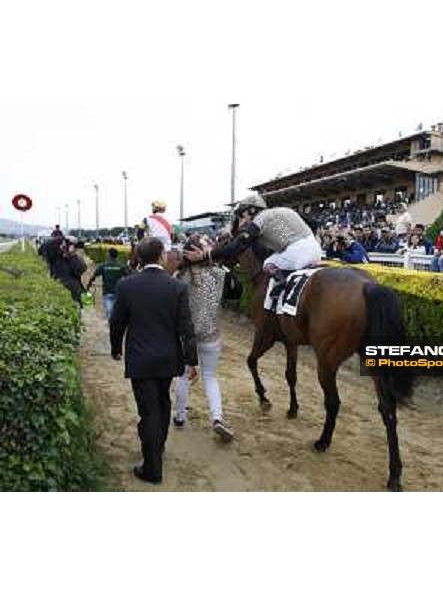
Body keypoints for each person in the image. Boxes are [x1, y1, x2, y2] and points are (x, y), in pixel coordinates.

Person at [109, 237, 198, 484]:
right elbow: (186, 327)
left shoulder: (126, 285)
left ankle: (152, 468)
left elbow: (117, 323)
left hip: (139, 358)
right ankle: (156, 449)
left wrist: (116, 348)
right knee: (162, 403)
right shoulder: (176, 287)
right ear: (160, 257)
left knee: (149, 410)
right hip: (168, 358)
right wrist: (192, 360)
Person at [174, 235, 233, 440]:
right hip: (211, 333)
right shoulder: (219, 274)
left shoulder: (179, 277)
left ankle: (180, 416)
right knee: (210, 377)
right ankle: (217, 417)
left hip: (186, 334)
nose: (211, 248)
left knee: (182, 375)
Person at [185, 195, 322, 283]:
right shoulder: (284, 210)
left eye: (242, 215)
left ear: (250, 210)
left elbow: (238, 246)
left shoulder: (260, 219)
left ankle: (280, 288)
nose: (242, 220)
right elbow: (314, 224)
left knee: (268, 263)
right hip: (316, 249)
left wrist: (207, 254)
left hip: (297, 254)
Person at [87, 247, 130, 320]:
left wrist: (89, 285)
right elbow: (129, 277)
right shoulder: (121, 266)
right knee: (116, 312)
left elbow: (94, 276)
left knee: (109, 312)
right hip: (118, 293)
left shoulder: (103, 266)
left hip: (107, 292)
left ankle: (112, 326)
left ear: (109, 255)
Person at [53, 236, 88, 304]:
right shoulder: (58, 258)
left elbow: (81, 270)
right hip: (63, 291)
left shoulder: (75, 257)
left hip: (74, 292)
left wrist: (72, 255)